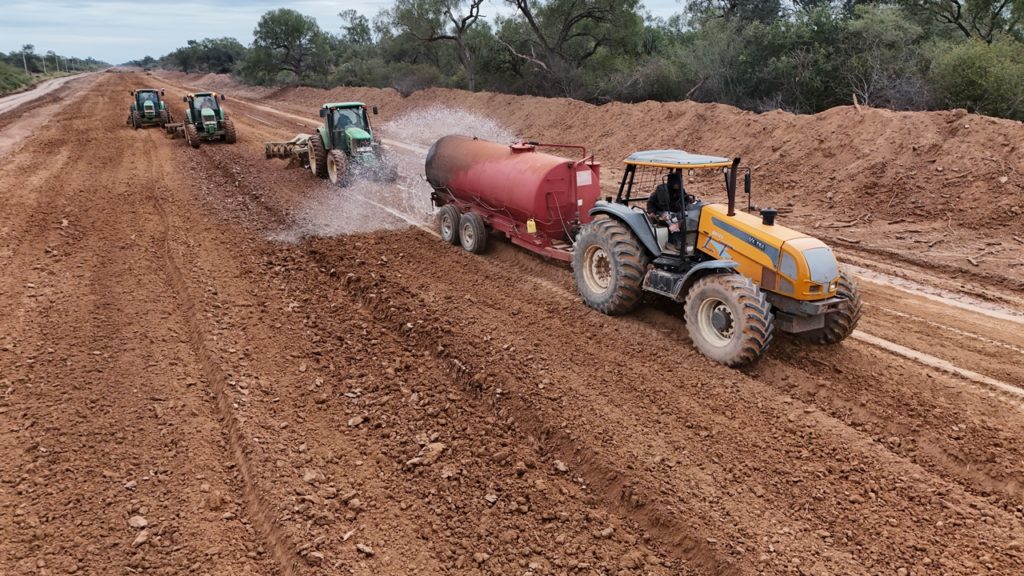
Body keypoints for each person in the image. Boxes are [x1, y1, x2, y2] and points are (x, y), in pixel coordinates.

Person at [647, 171, 687, 247]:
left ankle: (687, 238)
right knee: (672, 219)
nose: (678, 184)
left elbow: (686, 199)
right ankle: (676, 241)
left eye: (680, 182)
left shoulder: (681, 190)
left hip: (677, 211)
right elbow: (650, 203)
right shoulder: (661, 190)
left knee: (688, 216)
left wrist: (690, 200)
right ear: (671, 182)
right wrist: (652, 214)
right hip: (662, 212)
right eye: (676, 183)